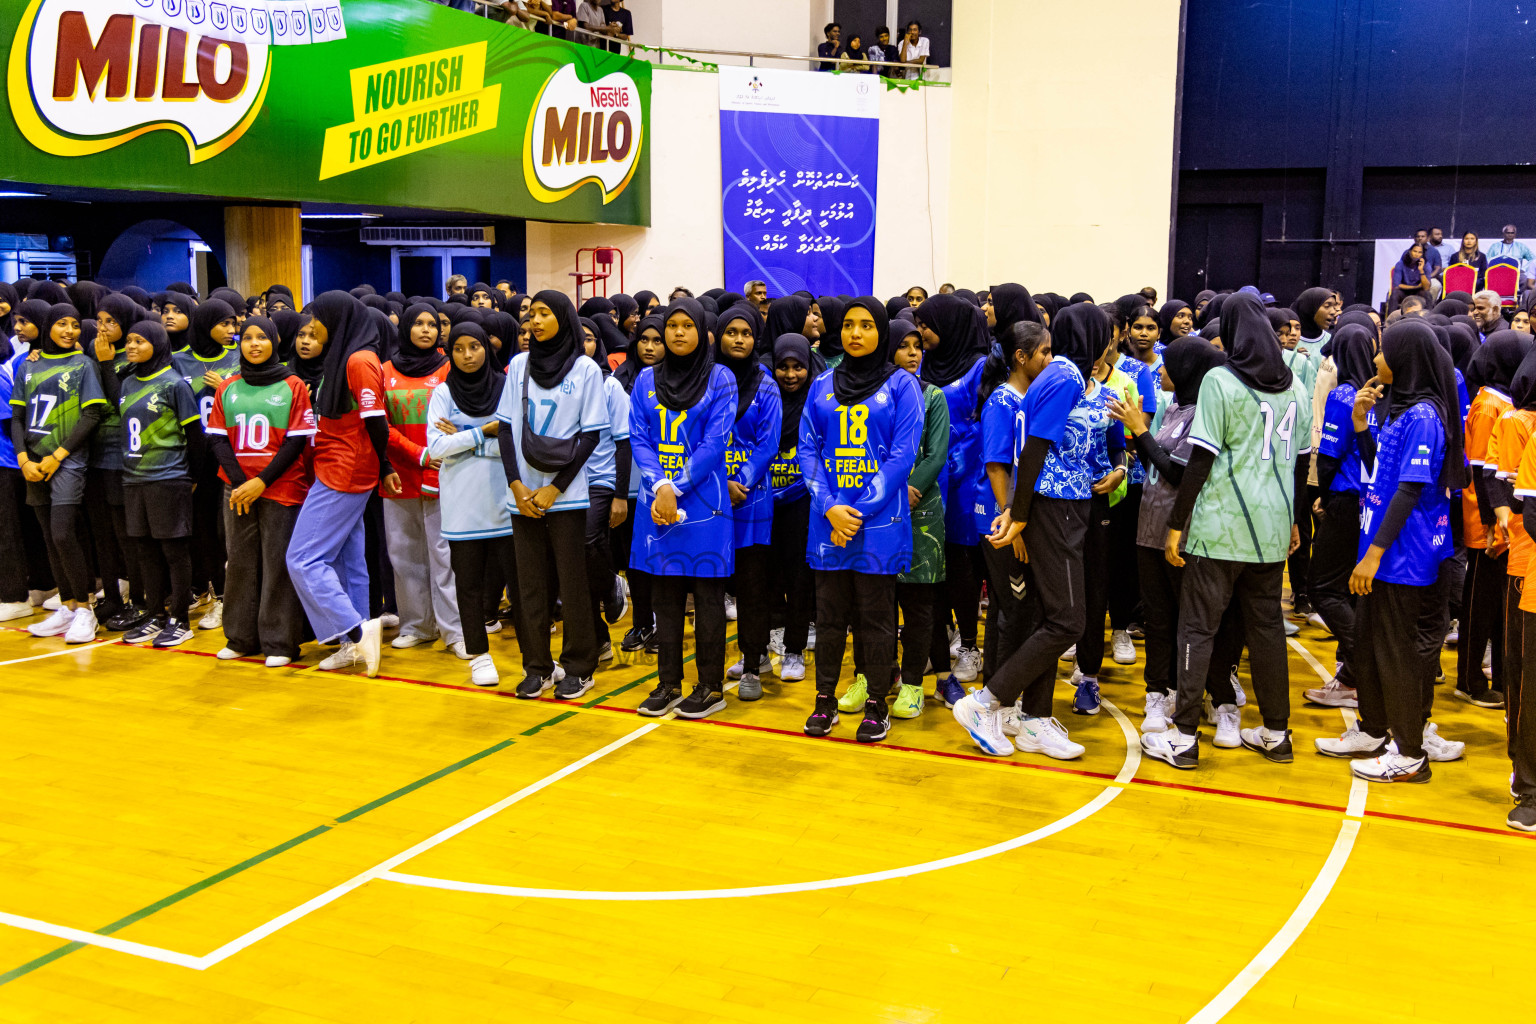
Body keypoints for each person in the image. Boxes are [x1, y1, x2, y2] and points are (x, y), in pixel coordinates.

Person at [1142, 291, 1313, 769]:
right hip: (1274, 528)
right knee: (1267, 631)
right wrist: (1296, 519)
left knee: (1197, 627)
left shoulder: (1220, 380)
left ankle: (1183, 737)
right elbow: (1301, 466)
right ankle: (1277, 733)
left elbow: (1201, 461)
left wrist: (1177, 525)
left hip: (1219, 526)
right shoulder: (1297, 386)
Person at [952, 303, 1107, 761]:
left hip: (1060, 505)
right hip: (1051, 506)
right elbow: (1032, 447)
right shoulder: (1065, 377)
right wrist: (1017, 513)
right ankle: (985, 703)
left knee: (1047, 616)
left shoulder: (1060, 374)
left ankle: (1036, 720)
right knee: (1067, 620)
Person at [1317, 319, 1464, 781]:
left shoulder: (1423, 416)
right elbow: (1377, 468)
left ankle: (1410, 752)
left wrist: (1374, 554)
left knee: (1396, 653)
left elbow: (1407, 491)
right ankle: (1375, 729)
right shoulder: (1398, 409)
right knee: (1373, 647)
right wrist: (1361, 424)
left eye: (1382, 352)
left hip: (1403, 554)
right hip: (1382, 545)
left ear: (1404, 359)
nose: (1375, 359)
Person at [799, 298, 923, 743]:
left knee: (876, 618)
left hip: (879, 523)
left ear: (882, 333)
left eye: (866, 326)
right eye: (848, 325)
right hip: (826, 519)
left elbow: (902, 455)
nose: (855, 333)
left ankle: (876, 704)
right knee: (829, 617)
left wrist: (859, 510)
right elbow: (807, 450)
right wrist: (830, 506)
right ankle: (824, 700)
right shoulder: (821, 384)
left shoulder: (903, 386)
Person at [1109, 335, 1243, 735]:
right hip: (1149, 531)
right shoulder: (1176, 407)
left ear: (1188, 370)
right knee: (1159, 620)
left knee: (1195, 625)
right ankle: (1158, 694)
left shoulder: (1205, 411)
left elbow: (1178, 473)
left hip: (1184, 535)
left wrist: (1139, 433)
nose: (1161, 370)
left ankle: (1214, 696)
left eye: (1168, 364)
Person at [628, 299, 737, 718]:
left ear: (702, 331)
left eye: (685, 325)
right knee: (665, 597)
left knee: (708, 600)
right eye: (670, 325)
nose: (676, 333)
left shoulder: (721, 378)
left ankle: (710, 685)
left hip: (705, 504)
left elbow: (715, 441)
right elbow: (639, 437)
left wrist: (677, 485)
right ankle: (668, 682)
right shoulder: (644, 380)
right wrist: (659, 485)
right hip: (657, 503)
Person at [496, 290, 606, 699]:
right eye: (531, 314)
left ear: (564, 318)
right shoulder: (520, 365)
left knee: (572, 583)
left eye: (544, 313)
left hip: (568, 496)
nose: (534, 321)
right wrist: (517, 485)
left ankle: (580, 665)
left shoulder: (585, 369)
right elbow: (506, 427)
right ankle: (539, 666)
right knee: (529, 586)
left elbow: (591, 434)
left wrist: (555, 488)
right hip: (522, 496)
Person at [284, 292, 391, 677]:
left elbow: (377, 419)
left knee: (303, 558)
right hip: (338, 465)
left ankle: (356, 630)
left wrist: (386, 465)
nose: (316, 330)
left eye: (319, 322)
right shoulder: (345, 355)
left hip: (345, 470)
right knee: (348, 561)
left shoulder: (359, 360)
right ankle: (356, 645)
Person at [206, 317, 314, 667]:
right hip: (237, 489)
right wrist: (239, 482)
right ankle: (240, 637)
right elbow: (218, 437)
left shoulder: (293, 384)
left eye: (261, 338)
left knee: (277, 563)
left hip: (280, 486)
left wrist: (261, 481)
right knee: (239, 562)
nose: (254, 344)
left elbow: (296, 441)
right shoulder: (228, 387)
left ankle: (279, 642)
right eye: (247, 337)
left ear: (274, 342)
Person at [11, 303, 107, 643]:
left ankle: (85, 609)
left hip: (68, 461)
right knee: (49, 537)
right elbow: (18, 418)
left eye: (75, 325)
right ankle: (67, 607)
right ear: (48, 327)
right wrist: (23, 459)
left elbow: (91, 416)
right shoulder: (28, 365)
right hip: (33, 462)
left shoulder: (83, 365)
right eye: (62, 324)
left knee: (64, 533)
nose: (70, 331)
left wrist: (59, 455)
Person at [427, 323, 517, 687]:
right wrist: (484, 432)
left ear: (487, 348)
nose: (467, 356)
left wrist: (465, 440)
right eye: (459, 349)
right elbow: (436, 448)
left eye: (474, 347)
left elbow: (516, 443)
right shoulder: (443, 393)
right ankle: (479, 656)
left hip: (507, 504)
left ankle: (537, 659)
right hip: (462, 508)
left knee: (520, 586)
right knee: (468, 585)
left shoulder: (507, 389)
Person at [1301, 323, 1381, 708]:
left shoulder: (1345, 395)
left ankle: (1364, 659)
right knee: (1352, 589)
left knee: (1323, 588)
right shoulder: (1382, 394)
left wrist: (1320, 496)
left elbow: (1331, 455)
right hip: (1373, 504)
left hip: (1347, 500)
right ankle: (1350, 676)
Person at [380, 304, 464, 657]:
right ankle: (417, 625)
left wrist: (434, 454)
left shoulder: (449, 368)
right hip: (398, 474)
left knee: (444, 556)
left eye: (432, 324)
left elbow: (454, 421)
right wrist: (416, 452)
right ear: (406, 329)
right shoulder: (385, 371)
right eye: (418, 323)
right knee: (404, 555)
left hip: (443, 472)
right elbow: (380, 425)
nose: (427, 330)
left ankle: (456, 631)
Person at [114, 321, 202, 648]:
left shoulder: (174, 384)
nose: (131, 346)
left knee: (173, 551)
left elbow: (195, 437)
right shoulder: (127, 383)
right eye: (130, 341)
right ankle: (155, 614)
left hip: (168, 478)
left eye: (139, 341)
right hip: (134, 479)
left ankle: (180, 619)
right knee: (144, 550)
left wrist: (191, 477)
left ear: (157, 344)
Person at [714, 306, 782, 701]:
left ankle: (753, 663)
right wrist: (721, 482)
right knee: (719, 586)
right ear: (719, 336)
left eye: (747, 333)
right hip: (711, 494)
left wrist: (740, 480)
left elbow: (769, 443)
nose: (739, 339)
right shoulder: (704, 382)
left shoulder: (766, 385)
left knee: (753, 587)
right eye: (731, 332)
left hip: (753, 497)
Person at [885, 320, 949, 720]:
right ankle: (879, 676)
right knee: (878, 604)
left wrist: (907, 491)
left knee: (920, 605)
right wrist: (886, 494)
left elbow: (935, 455)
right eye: (904, 346)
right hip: (878, 509)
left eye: (917, 345)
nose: (913, 353)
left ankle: (913, 685)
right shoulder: (873, 396)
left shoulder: (933, 396)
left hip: (920, 511)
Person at [173, 298, 242, 630]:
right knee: (198, 528)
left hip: (229, 454)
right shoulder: (178, 361)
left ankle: (227, 599)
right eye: (224, 324)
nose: (231, 330)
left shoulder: (238, 359)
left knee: (222, 529)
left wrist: (227, 387)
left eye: (233, 324)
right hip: (193, 455)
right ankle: (204, 591)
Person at [575, 315, 632, 661]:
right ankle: (598, 637)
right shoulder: (558, 382)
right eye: (577, 338)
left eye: (590, 338)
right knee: (575, 560)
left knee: (587, 543)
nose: (583, 344)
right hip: (566, 482)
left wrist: (620, 495)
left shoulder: (609, 386)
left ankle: (611, 584)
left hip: (601, 480)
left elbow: (623, 444)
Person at [615, 314, 665, 654]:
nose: (649, 346)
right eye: (644, 340)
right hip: (629, 482)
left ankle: (664, 624)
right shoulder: (620, 378)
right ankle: (642, 622)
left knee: (664, 557)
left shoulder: (683, 380)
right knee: (635, 560)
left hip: (666, 484)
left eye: (656, 340)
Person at [1487, 224, 1535, 293]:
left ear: (1515, 234)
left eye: (1512, 233)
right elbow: (1487, 259)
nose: (1510, 235)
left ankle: (1521, 299)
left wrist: (1524, 269)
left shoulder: (1521, 246)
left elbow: (1533, 259)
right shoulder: (1495, 246)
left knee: (1525, 280)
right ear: (1503, 233)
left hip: (1517, 272)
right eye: (1508, 233)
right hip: (1498, 272)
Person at [1389, 243, 1435, 311]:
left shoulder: (1426, 265)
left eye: (1420, 252)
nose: (1417, 254)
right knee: (1395, 293)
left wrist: (1421, 270)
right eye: (1415, 251)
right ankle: (1392, 320)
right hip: (1403, 291)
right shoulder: (1400, 264)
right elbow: (1397, 285)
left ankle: (1429, 319)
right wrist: (1415, 287)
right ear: (1410, 252)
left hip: (1418, 292)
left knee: (1427, 294)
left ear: (1422, 254)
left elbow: (1426, 288)